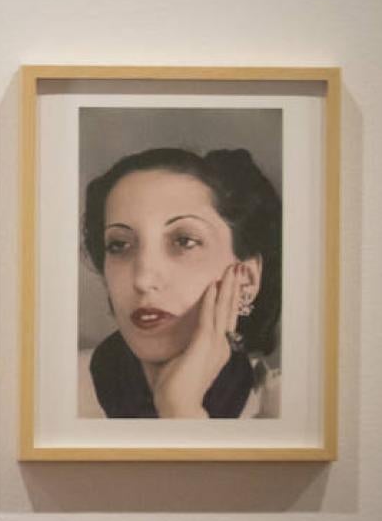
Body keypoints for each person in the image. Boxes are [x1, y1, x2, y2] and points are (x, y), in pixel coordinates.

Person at [78, 146, 282, 419]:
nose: (143, 279)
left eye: (184, 241)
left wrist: (179, 407)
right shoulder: (57, 393)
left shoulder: (286, 409)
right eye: (119, 245)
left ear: (246, 279)